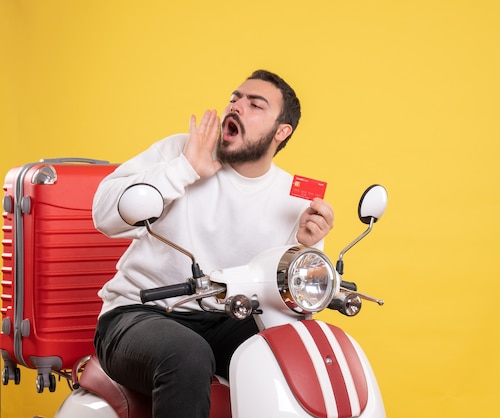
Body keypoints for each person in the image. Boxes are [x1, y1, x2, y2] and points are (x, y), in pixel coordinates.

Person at [91, 69, 334, 418]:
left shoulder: (293, 198)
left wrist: (308, 246)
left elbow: (297, 298)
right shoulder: (181, 150)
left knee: (298, 347)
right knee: (187, 353)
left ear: (282, 131)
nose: (236, 106)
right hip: (136, 315)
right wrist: (186, 167)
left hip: (225, 319)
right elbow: (103, 214)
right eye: (235, 98)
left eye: (255, 104)